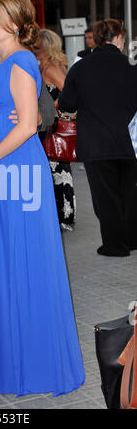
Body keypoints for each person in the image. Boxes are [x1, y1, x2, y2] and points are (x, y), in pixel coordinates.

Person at [0, 0, 85, 396]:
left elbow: (28, 124)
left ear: (15, 22)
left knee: (18, 257)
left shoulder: (21, 60)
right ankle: (0, 357)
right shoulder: (0, 60)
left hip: (7, 173)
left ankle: (26, 362)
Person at [59, 18, 137, 257]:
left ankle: (114, 245)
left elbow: (66, 104)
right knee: (130, 193)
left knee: (105, 196)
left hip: (95, 142)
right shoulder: (131, 66)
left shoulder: (81, 67)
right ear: (117, 38)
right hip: (129, 140)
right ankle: (131, 239)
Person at [35, 29, 76, 231]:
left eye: (36, 43)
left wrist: (50, 110)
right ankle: (60, 215)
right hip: (46, 125)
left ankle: (64, 217)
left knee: (57, 169)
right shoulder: (42, 66)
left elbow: (68, 91)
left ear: (44, 45)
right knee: (54, 169)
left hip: (53, 127)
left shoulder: (51, 67)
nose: (32, 45)